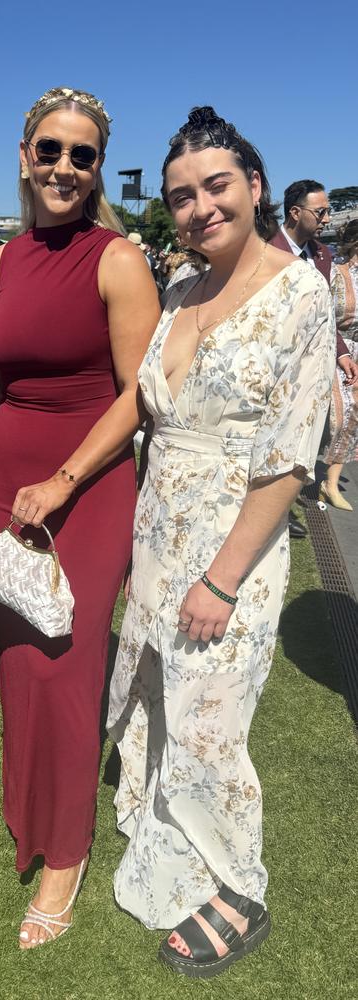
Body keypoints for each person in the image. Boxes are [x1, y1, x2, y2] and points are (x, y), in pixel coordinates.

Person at [107, 107, 335, 979]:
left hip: (230, 544)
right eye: (181, 197)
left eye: (216, 186)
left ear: (255, 187)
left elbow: (287, 459)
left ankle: (240, 887)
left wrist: (223, 579)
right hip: (160, 531)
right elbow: (151, 417)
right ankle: (165, 820)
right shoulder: (182, 290)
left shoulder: (301, 294)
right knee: (165, 693)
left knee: (212, 723)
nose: (199, 207)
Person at [0, 87, 159, 948]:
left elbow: (140, 393)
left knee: (64, 661)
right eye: (49, 150)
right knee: (19, 656)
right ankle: (30, 807)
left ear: (95, 172)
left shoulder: (117, 257)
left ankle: (66, 853)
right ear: (24, 156)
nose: (63, 167)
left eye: (81, 156)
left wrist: (62, 477)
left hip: (83, 488)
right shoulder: (1, 260)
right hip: (9, 487)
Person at [270, 179, 358, 532]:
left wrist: (340, 353)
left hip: (315, 365)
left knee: (301, 436)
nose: (326, 218)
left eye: (328, 211)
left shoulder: (323, 255)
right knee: (275, 435)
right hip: (275, 364)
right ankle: (273, 510)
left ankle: (282, 505)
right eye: (320, 211)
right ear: (295, 212)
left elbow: (326, 316)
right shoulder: (265, 248)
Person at [320, 219, 358, 508]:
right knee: (340, 415)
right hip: (334, 348)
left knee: (353, 418)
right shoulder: (336, 273)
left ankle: (331, 483)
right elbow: (323, 315)